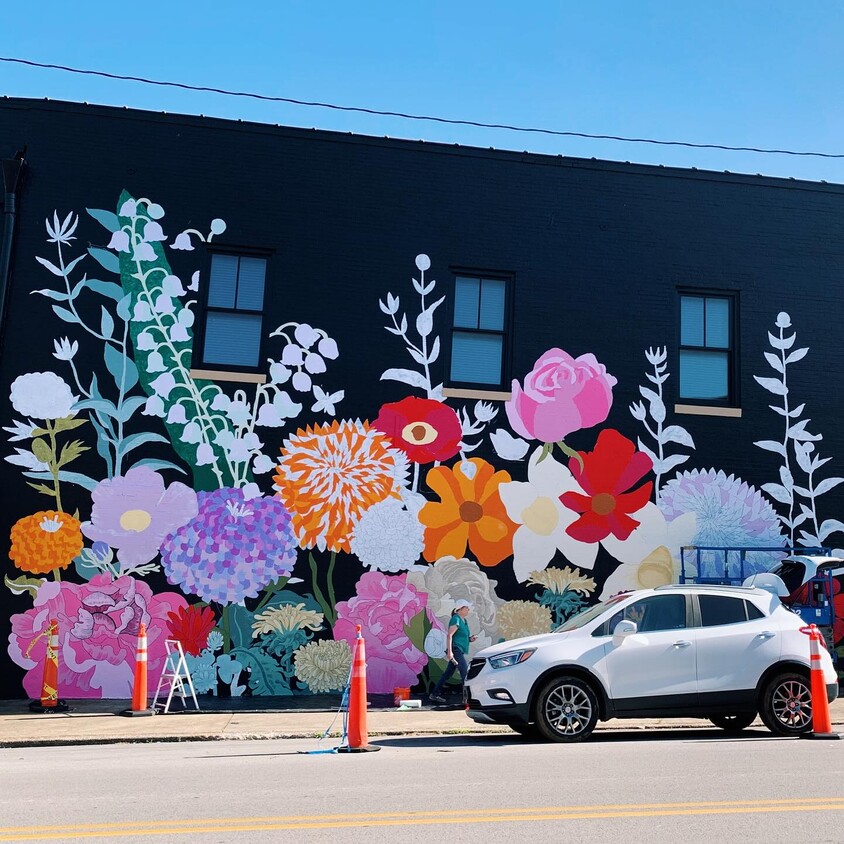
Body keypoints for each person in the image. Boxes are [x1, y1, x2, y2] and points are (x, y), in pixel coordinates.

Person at [429, 599, 476, 704]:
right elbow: (450, 635)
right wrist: (450, 653)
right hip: (456, 650)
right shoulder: (456, 619)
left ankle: (434, 694)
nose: (468, 609)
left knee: (447, 674)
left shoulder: (464, 621)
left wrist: (470, 639)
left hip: (458, 650)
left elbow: (460, 636)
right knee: (464, 672)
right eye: (466, 608)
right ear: (459, 609)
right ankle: (467, 699)